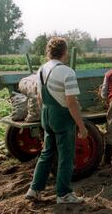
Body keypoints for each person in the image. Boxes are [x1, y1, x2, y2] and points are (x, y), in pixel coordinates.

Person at [25, 37, 88, 204]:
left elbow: (39, 97)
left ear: (49, 52)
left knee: (46, 153)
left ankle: (35, 189)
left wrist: (45, 116)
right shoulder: (67, 72)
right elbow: (71, 102)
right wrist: (81, 126)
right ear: (65, 52)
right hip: (62, 118)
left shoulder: (40, 70)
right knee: (66, 156)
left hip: (46, 114)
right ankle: (64, 194)